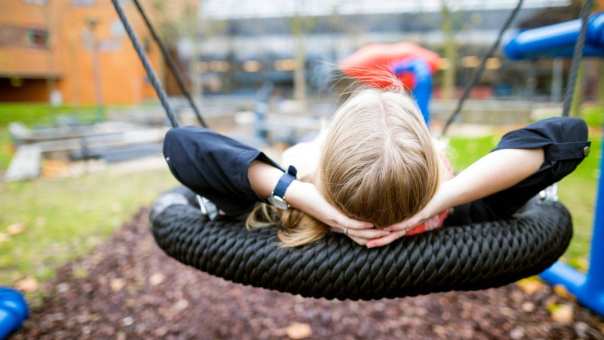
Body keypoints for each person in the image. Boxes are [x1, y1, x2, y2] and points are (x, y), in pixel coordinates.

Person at [163, 82, 590, 248]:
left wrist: (311, 199)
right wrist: (436, 201)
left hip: (315, 188)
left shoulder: (288, 215)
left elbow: (182, 145)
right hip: (422, 195)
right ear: (433, 170)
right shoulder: (464, 213)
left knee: (294, 158)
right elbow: (568, 137)